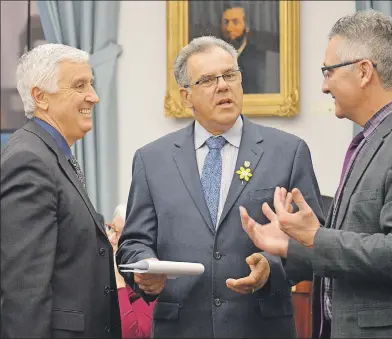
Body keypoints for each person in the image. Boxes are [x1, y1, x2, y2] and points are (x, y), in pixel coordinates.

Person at [116, 36, 325, 338]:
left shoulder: (288, 152)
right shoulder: (152, 160)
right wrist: (145, 271)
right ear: (186, 97)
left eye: (230, 75)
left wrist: (271, 266)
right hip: (181, 326)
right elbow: (133, 243)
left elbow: (314, 244)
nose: (224, 86)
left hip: (260, 326)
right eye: (208, 80)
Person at [240, 9, 392, 339]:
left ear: (363, 71)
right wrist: (292, 246)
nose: (324, 87)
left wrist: (315, 237)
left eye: (328, 72)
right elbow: (354, 242)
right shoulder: (373, 137)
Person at [1, 43, 121, 338]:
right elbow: (23, 291)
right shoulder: (28, 160)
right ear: (40, 97)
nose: (93, 97)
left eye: (91, 84)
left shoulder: (49, 152)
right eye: (79, 85)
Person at [107, 204, 155, 338]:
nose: (110, 238)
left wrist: (119, 278)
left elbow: (130, 335)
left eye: (117, 233)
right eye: (110, 229)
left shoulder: (148, 281)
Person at [220, 2, 268, 94]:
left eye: (235, 22)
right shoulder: (215, 55)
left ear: (247, 26)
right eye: (226, 22)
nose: (229, 28)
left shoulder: (258, 57)